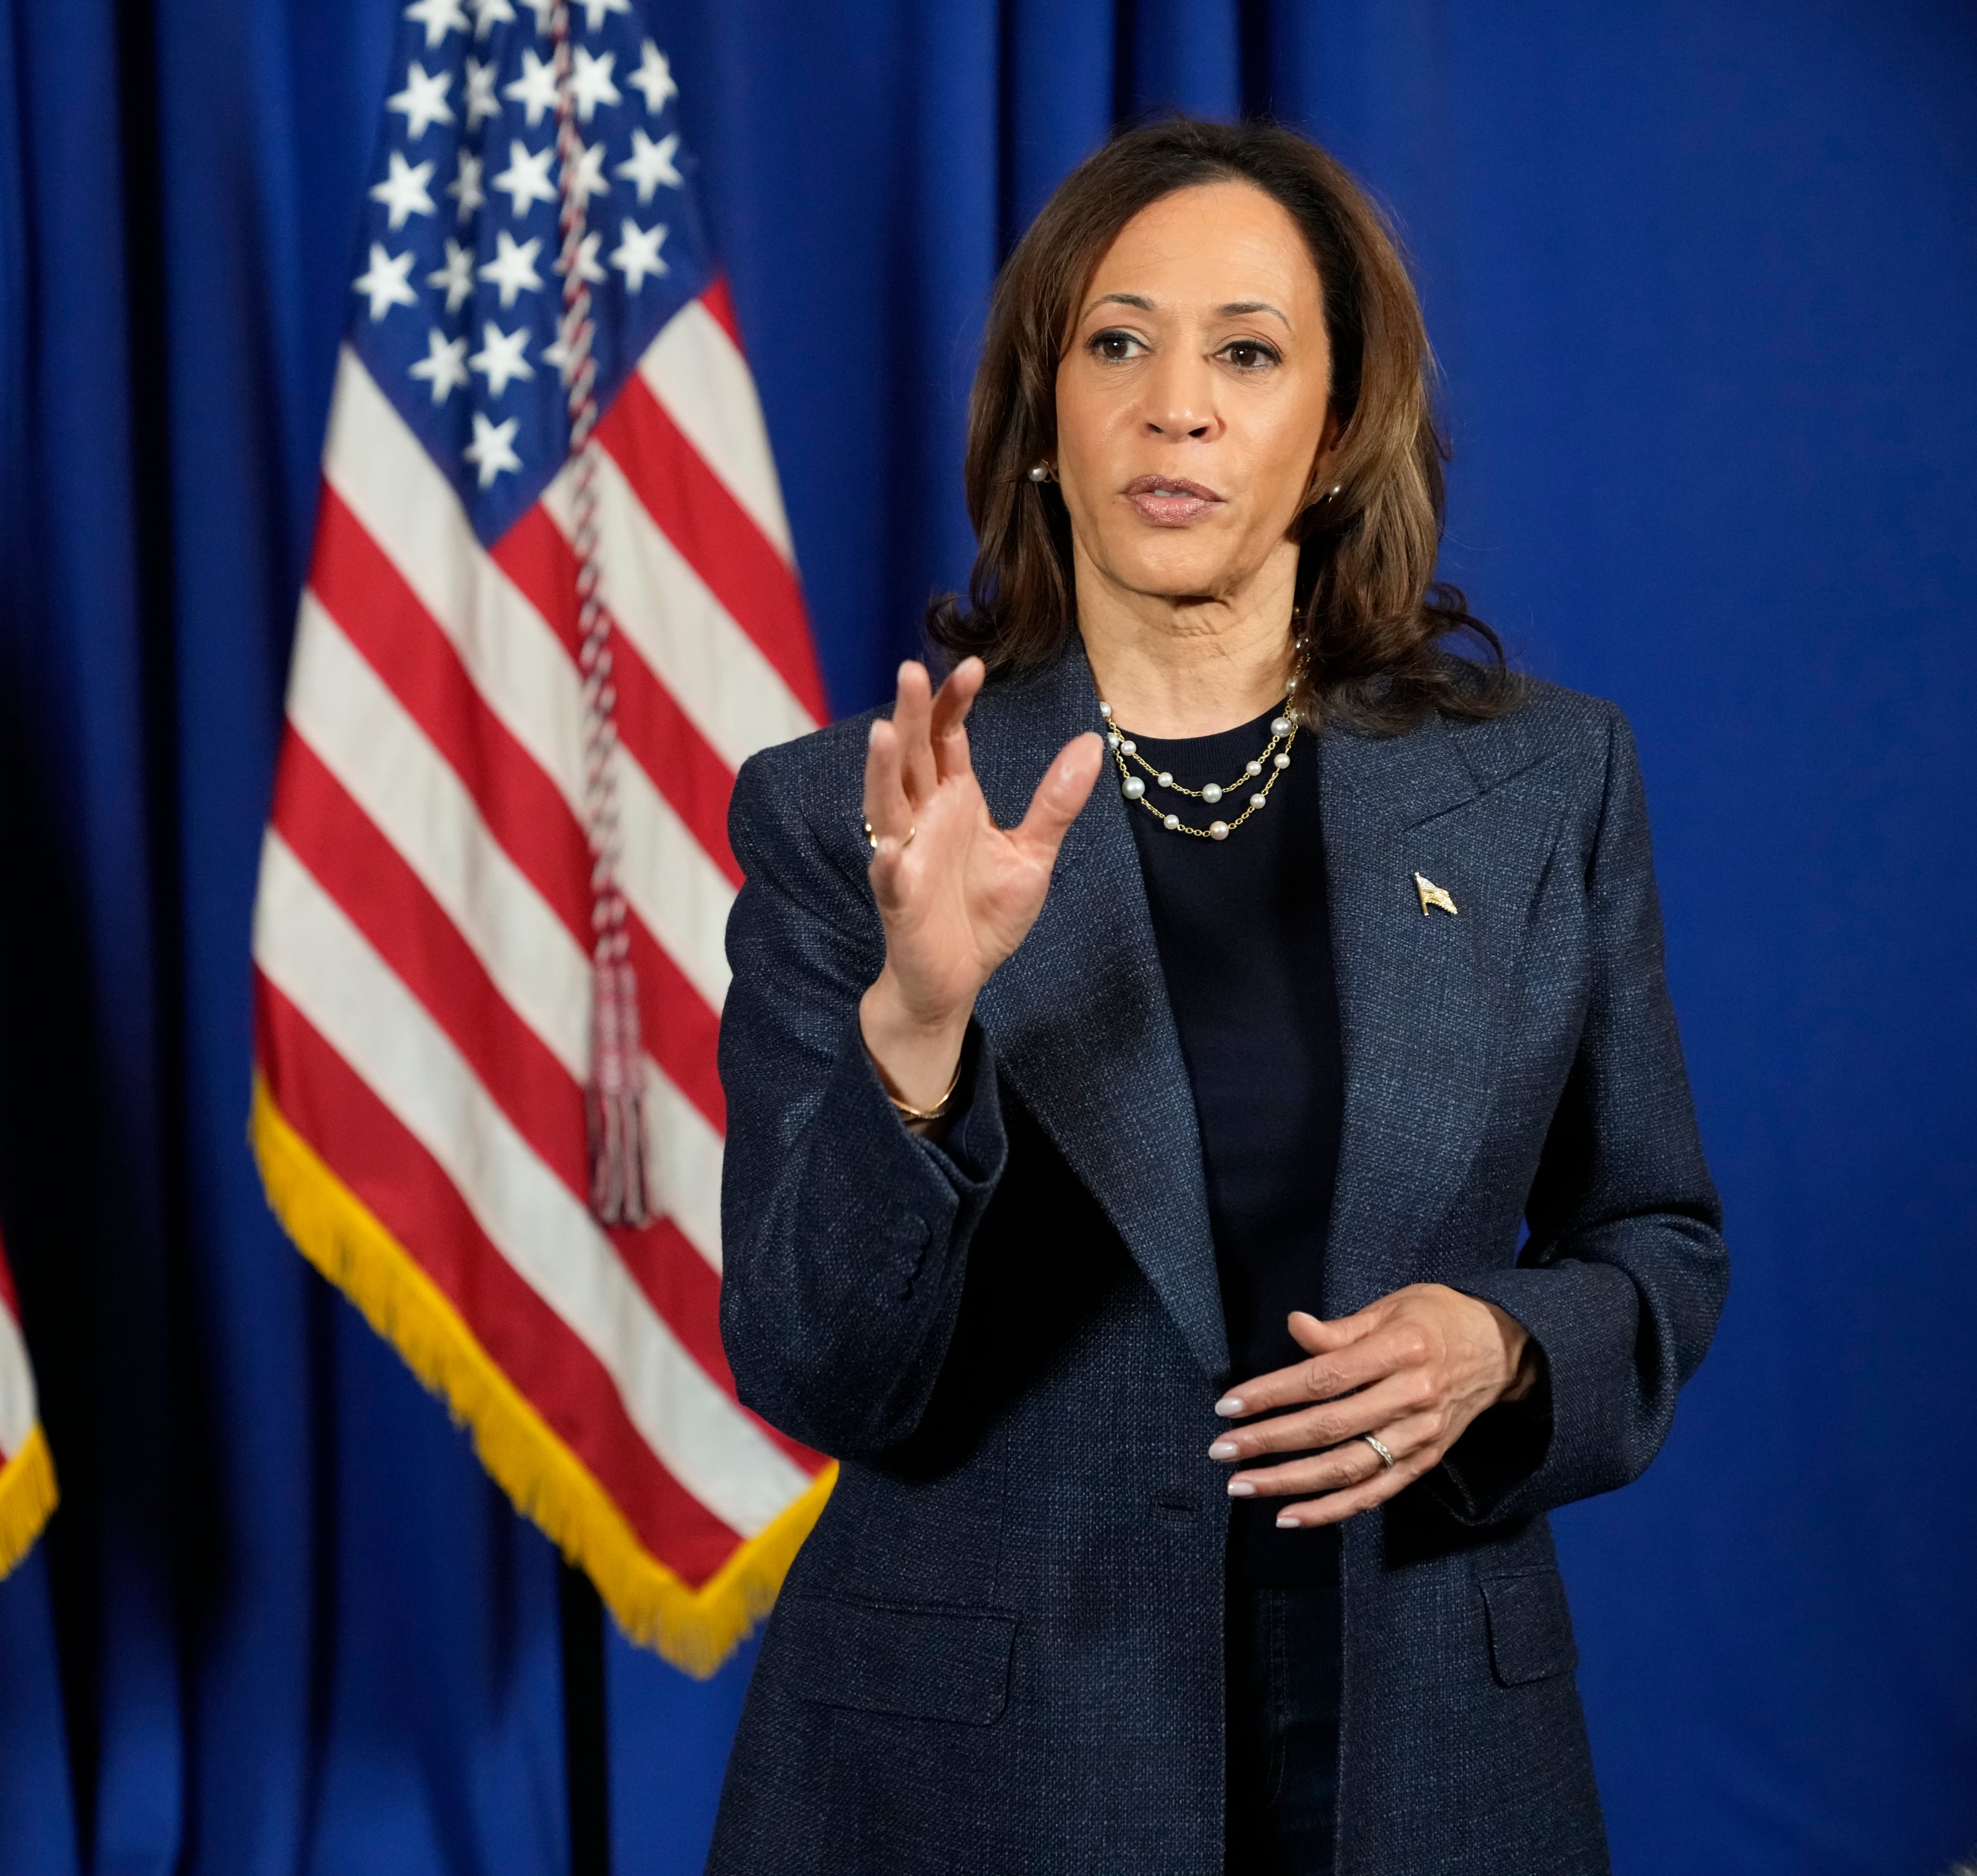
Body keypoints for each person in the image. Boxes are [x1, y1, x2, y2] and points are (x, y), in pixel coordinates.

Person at [704, 118, 1728, 1875]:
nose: (1177, 404)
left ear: (1334, 434)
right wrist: (923, 1028)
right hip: (982, 1779)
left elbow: (1659, 1241)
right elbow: (822, 1371)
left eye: (1247, 352)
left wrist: (1503, 1344)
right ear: (1047, 420)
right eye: (1120, 342)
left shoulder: (1552, 782)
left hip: (1430, 1755)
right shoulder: (849, 811)